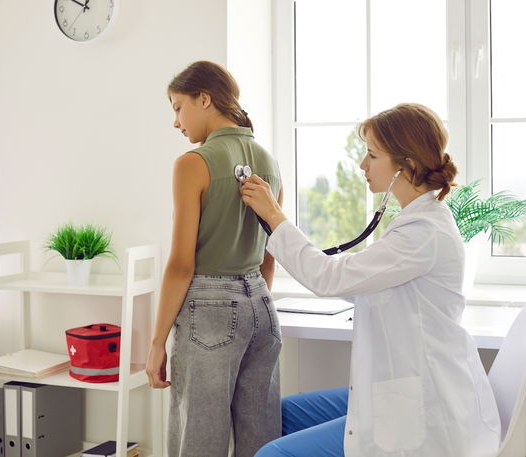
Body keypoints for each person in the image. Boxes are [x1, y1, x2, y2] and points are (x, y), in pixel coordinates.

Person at [240, 103, 501, 457]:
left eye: (372, 155)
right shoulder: (415, 222)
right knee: (277, 415)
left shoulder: (423, 232)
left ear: (404, 166)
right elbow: (361, 278)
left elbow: (328, 278)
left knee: (272, 454)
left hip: (420, 409)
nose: (362, 165)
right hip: (399, 390)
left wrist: (274, 215)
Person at [145, 60, 284, 457]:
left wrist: (157, 342)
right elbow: (270, 254)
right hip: (262, 305)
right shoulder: (270, 162)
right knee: (262, 442)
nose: (176, 122)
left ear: (204, 99)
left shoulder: (194, 163)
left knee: (199, 441)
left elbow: (181, 264)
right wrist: (251, 303)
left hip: (208, 311)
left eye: (177, 107)